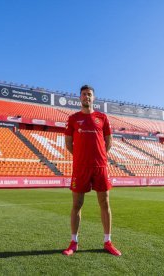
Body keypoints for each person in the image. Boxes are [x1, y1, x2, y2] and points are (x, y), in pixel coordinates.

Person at [62, 85, 122, 256]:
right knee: (77, 204)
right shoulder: (73, 118)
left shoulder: (102, 117)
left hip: (100, 167)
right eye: (83, 94)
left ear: (93, 98)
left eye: (89, 94)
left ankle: (107, 241)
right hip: (80, 167)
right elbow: (68, 143)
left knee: (105, 203)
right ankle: (74, 242)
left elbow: (108, 142)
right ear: (79, 98)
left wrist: (99, 156)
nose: (86, 97)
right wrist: (81, 157)